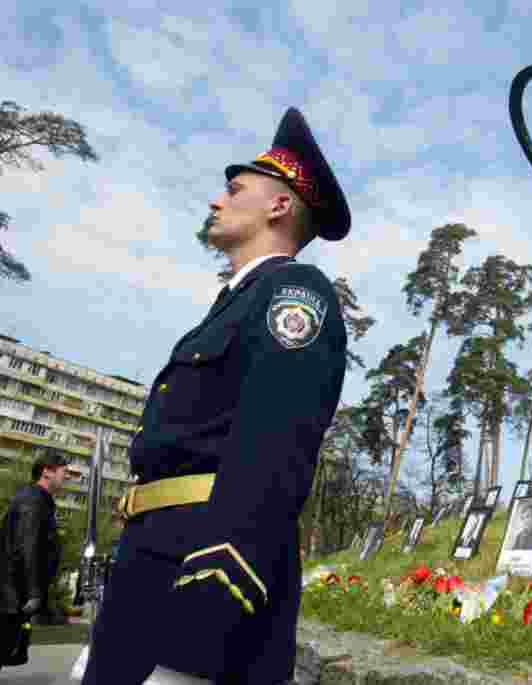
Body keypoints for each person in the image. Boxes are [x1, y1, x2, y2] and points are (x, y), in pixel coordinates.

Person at [81, 108, 350, 685]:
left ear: (279, 205)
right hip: (151, 570)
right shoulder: (234, 302)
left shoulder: (293, 292)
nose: (215, 201)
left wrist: (195, 646)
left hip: (198, 585)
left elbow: (271, 453)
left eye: (234, 189)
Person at [0, 450, 68, 670]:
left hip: (12, 592)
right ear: (47, 472)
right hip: (12, 594)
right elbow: (27, 547)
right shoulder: (33, 501)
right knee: (3, 646)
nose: (65, 478)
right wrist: (33, 592)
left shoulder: (37, 500)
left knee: (7, 647)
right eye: (63, 473)